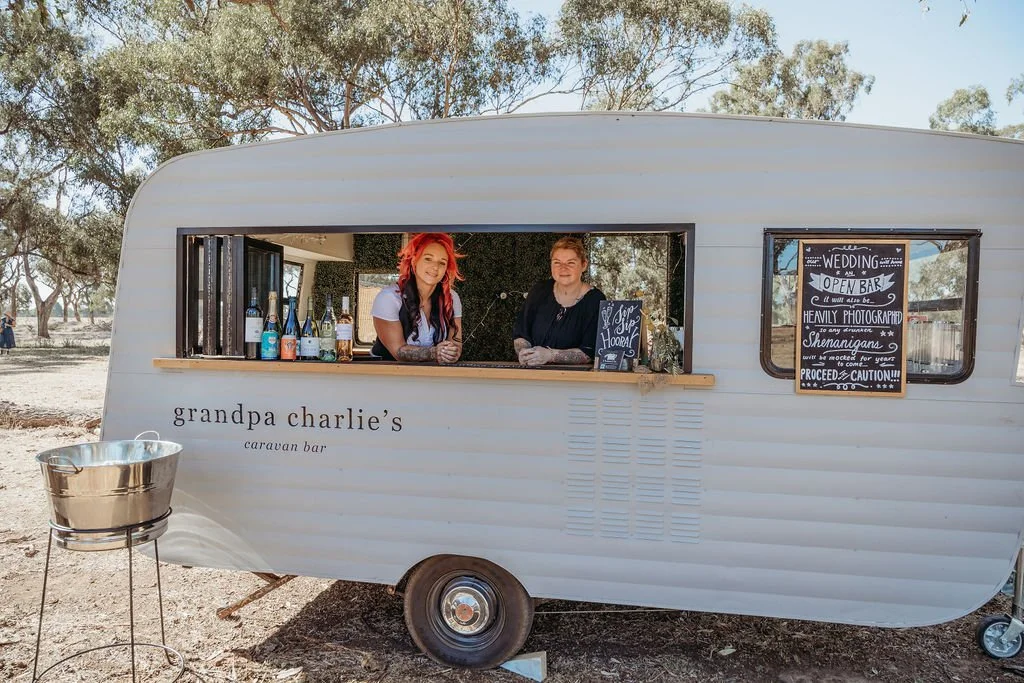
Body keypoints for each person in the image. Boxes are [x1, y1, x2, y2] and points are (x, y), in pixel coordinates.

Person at [371, 233, 464, 363]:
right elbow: (398, 351)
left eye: (442, 262)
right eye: (428, 259)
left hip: (434, 377)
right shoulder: (389, 298)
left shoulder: (452, 298)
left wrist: (452, 352)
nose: (435, 267)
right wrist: (434, 353)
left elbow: (456, 342)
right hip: (388, 377)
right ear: (414, 260)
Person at [514, 237, 605, 366]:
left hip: (572, 381)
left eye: (571, 263)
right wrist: (523, 352)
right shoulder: (539, 291)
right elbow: (521, 334)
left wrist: (550, 355)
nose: (563, 268)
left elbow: (589, 353)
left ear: (584, 265)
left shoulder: (595, 300)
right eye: (557, 262)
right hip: (532, 376)